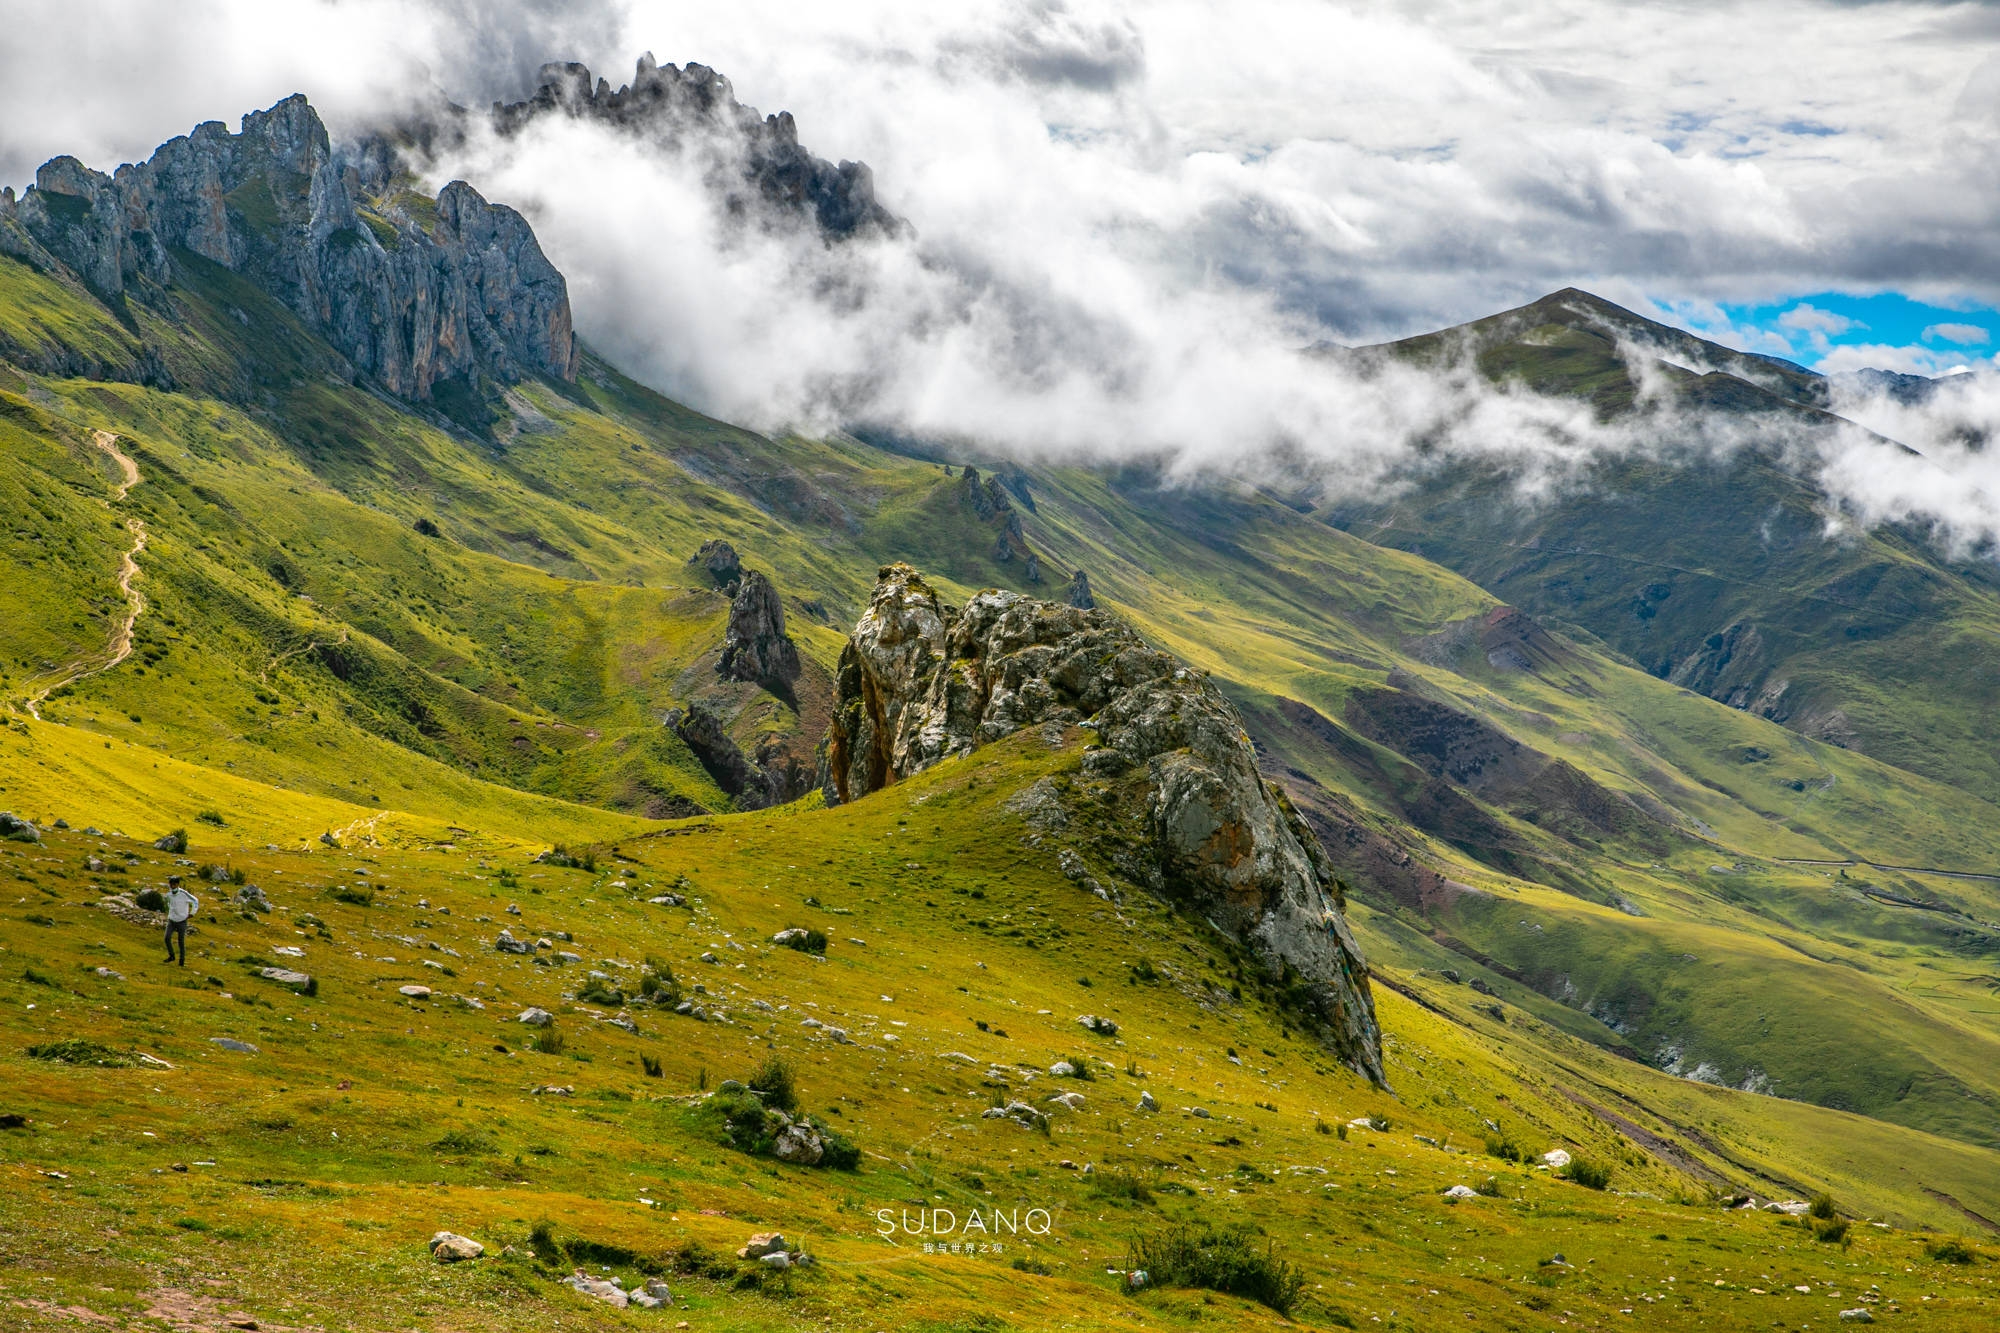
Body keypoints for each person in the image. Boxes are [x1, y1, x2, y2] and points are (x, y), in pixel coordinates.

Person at [163, 875, 199, 966]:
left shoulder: (184, 894)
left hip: (182, 920)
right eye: (171, 884)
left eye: (174, 884)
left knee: (181, 941)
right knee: (167, 938)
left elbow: (195, 901)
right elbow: (167, 903)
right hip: (171, 920)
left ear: (178, 884)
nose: (172, 886)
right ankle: (172, 955)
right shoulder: (169, 894)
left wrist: (192, 913)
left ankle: (181, 961)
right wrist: (170, 912)